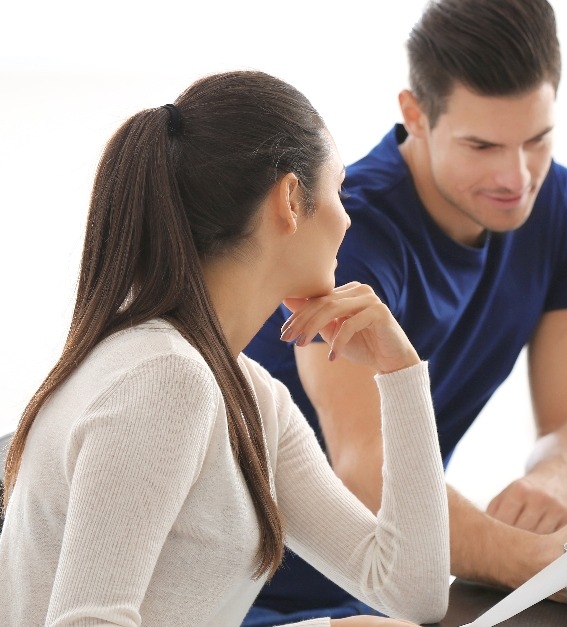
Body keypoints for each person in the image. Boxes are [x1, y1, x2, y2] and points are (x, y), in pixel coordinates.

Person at [244, 0, 567, 622]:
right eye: (482, 145)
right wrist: (539, 558)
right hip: (256, 598)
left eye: (537, 139)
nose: (517, 176)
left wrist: (550, 487)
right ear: (414, 114)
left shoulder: (556, 207)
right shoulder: (348, 234)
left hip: (397, 590)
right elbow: (367, 470)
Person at [0, 70, 450, 627]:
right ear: (290, 198)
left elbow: (412, 591)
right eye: (338, 190)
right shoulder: (166, 379)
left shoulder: (250, 395)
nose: (348, 216)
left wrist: (400, 371)